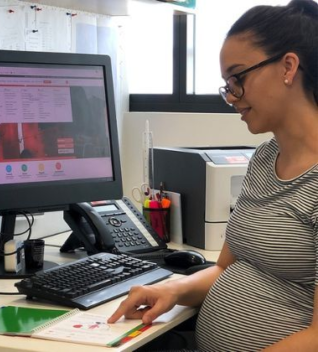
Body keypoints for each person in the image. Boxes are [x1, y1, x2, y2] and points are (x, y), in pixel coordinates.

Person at [109, 0, 318, 350]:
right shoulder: (265, 158)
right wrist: (170, 290)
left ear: (288, 66)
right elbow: (224, 269)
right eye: (226, 83)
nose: (231, 96)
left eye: (237, 78)